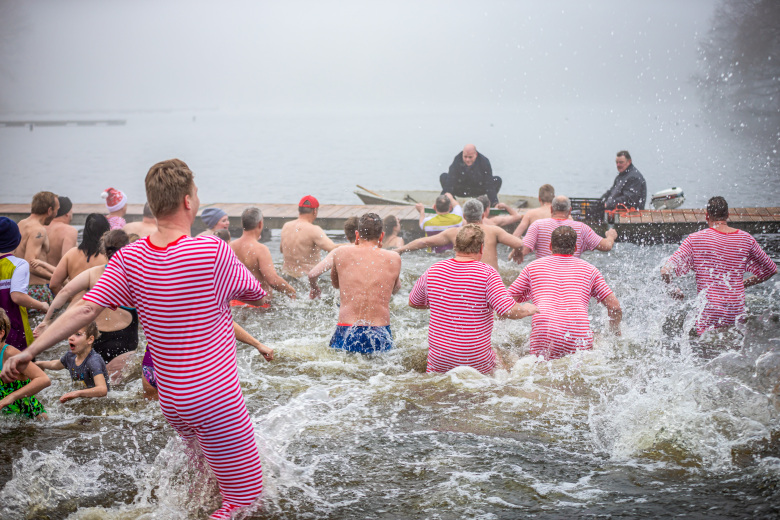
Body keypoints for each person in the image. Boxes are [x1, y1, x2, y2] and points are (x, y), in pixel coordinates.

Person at [3, 158, 269, 519]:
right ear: (188, 202)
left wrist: (30, 351)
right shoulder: (212, 250)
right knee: (246, 501)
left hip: (173, 399)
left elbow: (82, 311)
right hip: (215, 397)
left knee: (204, 484)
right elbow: (255, 294)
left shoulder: (130, 257)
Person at [409, 224, 537, 374]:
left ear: (456, 246)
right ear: (481, 248)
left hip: (440, 359)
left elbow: (413, 302)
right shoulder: (488, 274)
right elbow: (508, 311)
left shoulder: (433, 270)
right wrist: (527, 309)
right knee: (504, 363)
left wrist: (442, 303)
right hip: (475, 360)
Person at [661, 196, 777, 335]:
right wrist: (742, 283)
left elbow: (665, 271)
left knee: (707, 350)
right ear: (728, 215)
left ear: (707, 216)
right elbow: (771, 270)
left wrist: (672, 289)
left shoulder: (695, 239)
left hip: (709, 311)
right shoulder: (746, 239)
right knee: (733, 348)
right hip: (736, 311)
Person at [508, 226, 622, 360]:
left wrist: (522, 311)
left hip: (545, 332)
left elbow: (505, 302)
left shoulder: (532, 267)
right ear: (575, 248)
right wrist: (615, 333)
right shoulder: (591, 270)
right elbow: (614, 307)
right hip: (578, 334)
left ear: (550, 246)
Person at [35, 230, 138, 378]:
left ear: (104, 250)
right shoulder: (137, 275)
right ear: (128, 249)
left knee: (90, 384)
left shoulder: (94, 273)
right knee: (119, 390)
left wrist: (46, 321)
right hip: (125, 339)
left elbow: (64, 292)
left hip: (93, 338)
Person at [329, 214, 401, 353]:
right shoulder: (394, 258)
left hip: (347, 328)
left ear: (357, 234)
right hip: (380, 330)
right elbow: (395, 288)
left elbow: (336, 284)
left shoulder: (340, 253)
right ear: (382, 236)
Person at [397, 199, 524, 270]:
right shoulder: (494, 230)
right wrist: (517, 252)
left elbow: (424, 242)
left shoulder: (455, 232)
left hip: (466, 280)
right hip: (490, 280)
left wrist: (401, 249)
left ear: (464, 216)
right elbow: (519, 243)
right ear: (483, 215)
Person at [0, 217, 49, 349]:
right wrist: (42, 306)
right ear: (16, 240)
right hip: (14, 332)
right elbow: (17, 296)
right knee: (21, 367)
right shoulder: (18, 265)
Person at [520, 196, 617, 260]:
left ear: (551, 209)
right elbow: (606, 246)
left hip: (545, 276)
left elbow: (524, 250)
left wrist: (515, 253)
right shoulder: (581, 228)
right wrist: (611, 236)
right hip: (571, 278)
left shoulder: (537, 225)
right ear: (570, 211)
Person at [231, 207, 296, 301]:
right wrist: (292, 292)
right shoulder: (261, 249)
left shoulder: (230, 246)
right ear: (260, 223)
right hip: (259, 305)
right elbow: (273, 280)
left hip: (236, 302)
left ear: (242, 224)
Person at [36, 321, 110, 402]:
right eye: (70, 333)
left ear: (90, 339)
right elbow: (55, 365)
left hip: (101, 402)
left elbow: (102, 390)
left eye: (78, 334)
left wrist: (78, 393)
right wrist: (39, 364)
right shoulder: (70, 356)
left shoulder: (93, 361)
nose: (70, 337)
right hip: (83, 397)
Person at [0, 309, 49, 419]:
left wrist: (11, 397)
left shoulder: (9, 354)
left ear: (1, 333)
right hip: (8, 419)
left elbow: (44, 379)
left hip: (32, 420)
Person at [14, 191, 59, 304]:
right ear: (49, 210)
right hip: (36, 289)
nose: (56, 214)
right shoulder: (38, 230)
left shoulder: (21, 224)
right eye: (56, 210)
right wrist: (57, 278)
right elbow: (31, 264)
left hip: (19, 288)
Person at [48, 213, 110, 295]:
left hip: (74, 305)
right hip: (97, 305)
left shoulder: (71, 254)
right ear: (105, 232)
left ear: (85, 231)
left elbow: (53, 284)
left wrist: (68, 299)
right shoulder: (108, 258)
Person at [280, 195, 339, 278]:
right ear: (315, 211)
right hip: (306, 279)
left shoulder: (286, 226)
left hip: (286, 276)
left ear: (299, 210)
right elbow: (333, 248)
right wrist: (354, 244)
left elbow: (282, 250)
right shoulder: (314, 230)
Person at [308, 216, 359, 299]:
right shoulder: (375, 252)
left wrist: (314, 288)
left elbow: (312, 274)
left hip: (345, 301)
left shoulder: (338, 252)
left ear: (347, 237)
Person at [45, 196, 78, 267]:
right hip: (57, 276)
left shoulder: (41, 227)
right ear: (67, 213)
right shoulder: (69, 231)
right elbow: (67, 263)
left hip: (37, 275)